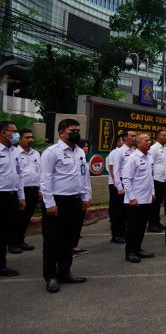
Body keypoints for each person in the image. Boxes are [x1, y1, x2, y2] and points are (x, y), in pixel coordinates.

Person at [40, 118, 91, 293]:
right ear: (61, 133)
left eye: (78, 130)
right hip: (57, 202)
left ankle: (65, 272)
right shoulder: (51, 152)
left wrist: (86, 197)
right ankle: (51, 276)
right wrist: (49, 203)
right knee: (52, 240)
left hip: (75, 201)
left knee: (69, 239)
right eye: (72, 131)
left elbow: (84, 176)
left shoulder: (80, 152)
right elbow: (45, 179)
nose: (76, 133)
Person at [121, 134, 155, 263]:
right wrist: (131, 198)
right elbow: (126, 180)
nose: (149, 142)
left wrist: (152, 192)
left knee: (141, 227)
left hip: (146, 199)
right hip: (135, 201)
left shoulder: (149, 157)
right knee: (132, 228)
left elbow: (150, 178)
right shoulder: (133, 158)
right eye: (146, 140)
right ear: (139, 143)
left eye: (149, 140)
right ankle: (130, 252)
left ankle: (138, 249)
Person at [0, 121, 25, 277]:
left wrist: (21, 196)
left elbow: (19, 175)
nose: (16, 135)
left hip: (12, 196)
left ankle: (1, 265)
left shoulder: (15, 151)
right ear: (3, 132)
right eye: (13, 131)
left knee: (4, 232)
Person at [11, 128, 40, 253]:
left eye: (31, 137)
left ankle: (21, 240)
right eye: (27, 137)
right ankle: (12, 243)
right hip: (19, 190)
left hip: (33, 190)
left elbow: (40, 172)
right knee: (15, 218)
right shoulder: (14, 152)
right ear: (20, 139)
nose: (30, 140)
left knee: (26, 217)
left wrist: (40, 190)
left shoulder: (36, 154)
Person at [109, 131, 136, 244]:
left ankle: (123, 233)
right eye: (132, 136)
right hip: (120, 185)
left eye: (135, 136)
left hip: (130, 184)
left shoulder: (134, 152)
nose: (134, 138)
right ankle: (116, 235)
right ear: (125, 138)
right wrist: (119, 187)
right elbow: (115, 170)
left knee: (126, 211)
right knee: (117, 211)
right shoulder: (119, 152)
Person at [148, 130, 166, 232]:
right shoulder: (154, 149)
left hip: (163, 180)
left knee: (159, 203)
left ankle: (157, 222)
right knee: (154, 204)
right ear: (158, 137)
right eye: (163, 135)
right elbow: (151, 165)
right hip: (156, 179)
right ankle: (151, 224)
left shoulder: (165, 148)